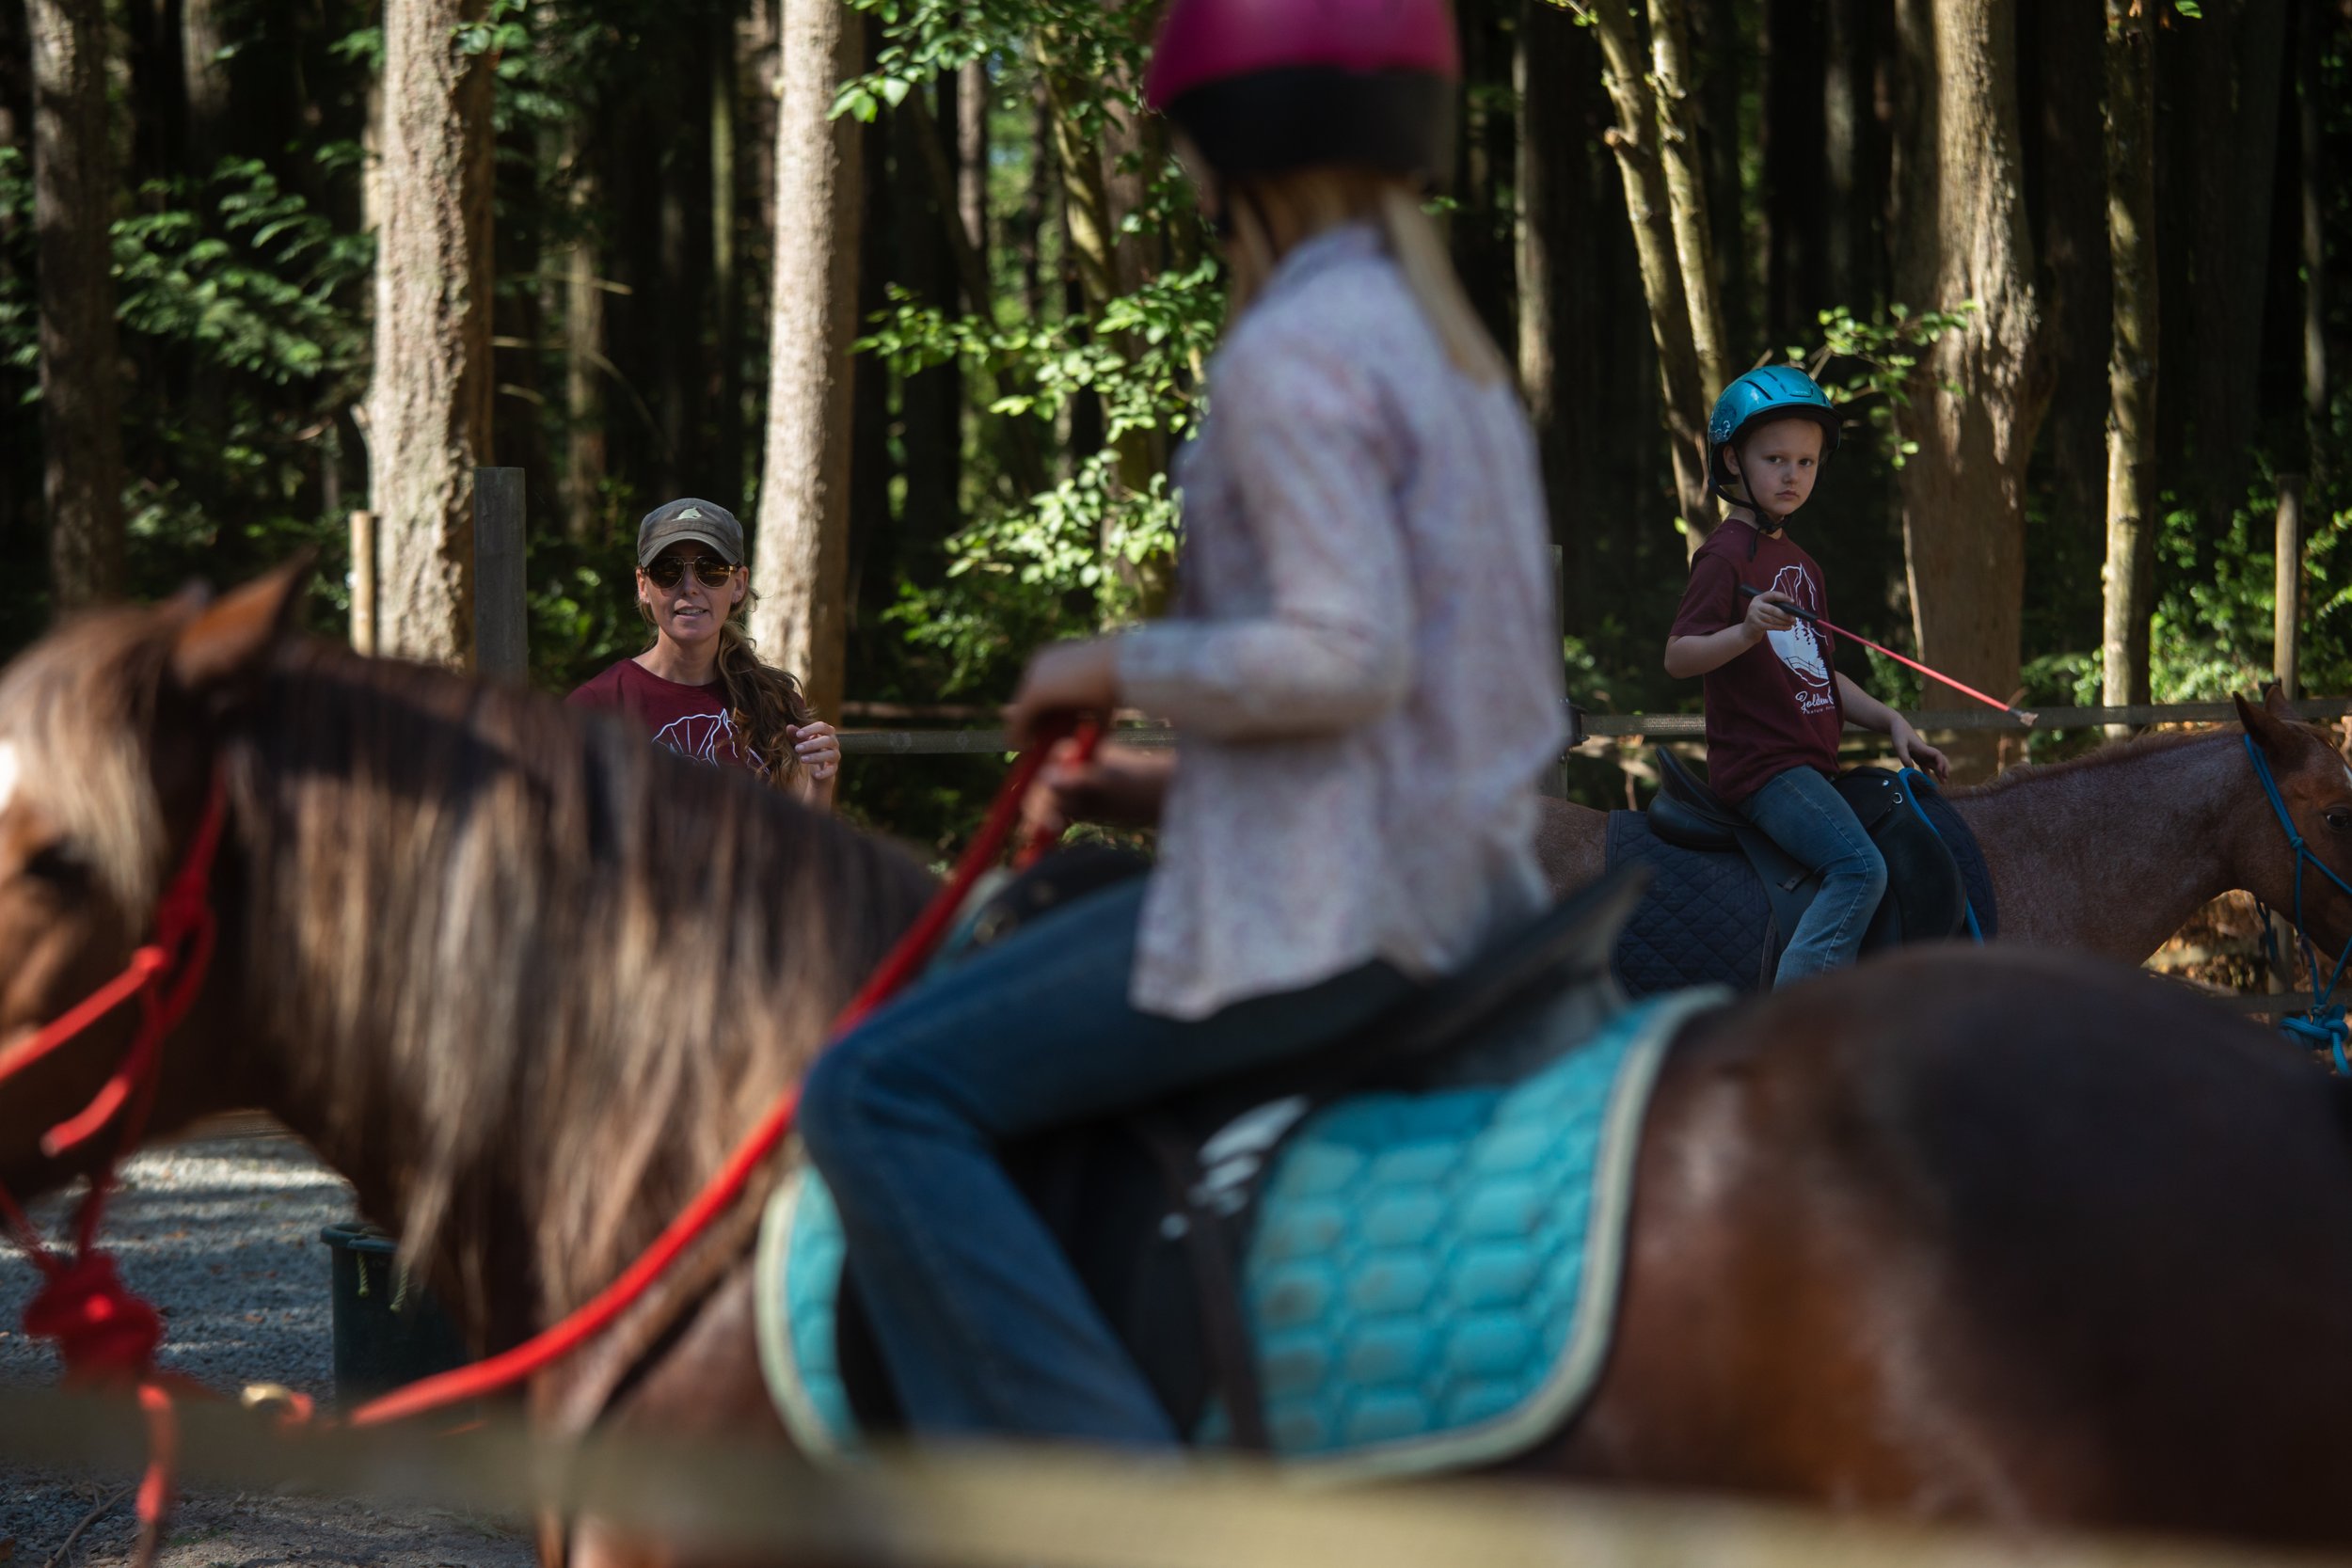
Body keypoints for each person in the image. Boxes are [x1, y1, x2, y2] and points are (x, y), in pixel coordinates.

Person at [796, 0, 1565, 1446]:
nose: (1194, 178)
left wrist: (1110, 658)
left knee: (872, 1088)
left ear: (1234, 146)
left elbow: (1347, 656)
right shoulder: (1448, 358)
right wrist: (1137, 790)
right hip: (1470, 895)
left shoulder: (1292, 354)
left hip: (1327, 925)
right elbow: (1416, 725)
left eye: (1195, 147)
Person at [1662, 365, 1948, 987]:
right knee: (1859, 869)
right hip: (1765, 770)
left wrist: (1893, 720)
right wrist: (1744, 632)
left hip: (1811, 767)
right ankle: (1796, 1017)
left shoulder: (1803, 565)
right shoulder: (1722, 557)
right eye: (1775, 458)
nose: (1792, 475)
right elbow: (1678, 655)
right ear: (1732, 460)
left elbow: (1822, 674)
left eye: (1807, 462)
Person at [567, 498, 840, 808]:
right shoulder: (595, 706)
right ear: (643, 585)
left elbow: (802, 849)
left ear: (738, 584)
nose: (690, 587)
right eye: (667, 570)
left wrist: (820, 785)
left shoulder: (775, 704)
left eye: (710, 569)